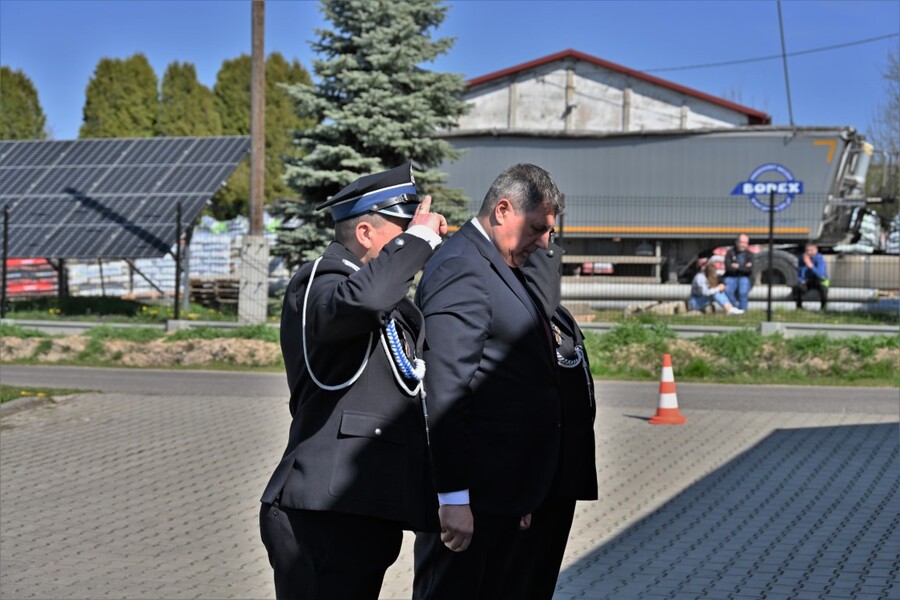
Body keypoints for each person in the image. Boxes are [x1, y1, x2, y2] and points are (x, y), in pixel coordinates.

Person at [258, 161, 448, 599]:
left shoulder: (380, 294)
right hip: (321, 513)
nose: (412, 238)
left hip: (361, 507)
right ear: (364, 233)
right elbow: (366, 300)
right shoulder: (321, 281)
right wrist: (418, 241)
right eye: (402, 230)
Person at [412, 163, 565, 599]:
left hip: (502, 496)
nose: (545, 242)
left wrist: (523, 492)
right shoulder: (462, 267)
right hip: (472, 503)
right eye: (537, 228)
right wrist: (453, 498)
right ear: (503, 210)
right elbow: (445, 391)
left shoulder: (497, 262)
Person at [499, 239, 598, 600]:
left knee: (540, 580)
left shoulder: (560, 317)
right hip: (529, 480)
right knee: (515, 580)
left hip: (561, 477)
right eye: (543, 257)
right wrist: (520, 489)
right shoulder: (518, 318)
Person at [724, 234, 753, 311]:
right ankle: (734, 309)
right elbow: (728, 268)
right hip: (731, 276)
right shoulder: (730, 253)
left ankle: (743, 311)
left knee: (743, 292)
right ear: (737, 242)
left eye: (745, 243)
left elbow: (750, 270)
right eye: (741, 242)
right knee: (728, 290)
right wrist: (743, 267)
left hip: (744, 277)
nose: (743, 245)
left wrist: (737, 266)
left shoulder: (750, 255)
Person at [795, 243, 829, 310]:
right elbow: (800, 272)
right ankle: (799, 307)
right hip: (809, 280)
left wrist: (810, 265)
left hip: (821, 280)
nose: (808, 252)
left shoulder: (819, 258)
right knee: (798, 288)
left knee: (823, 288)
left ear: (816, 251)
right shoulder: (803, 259)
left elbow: (820, 274)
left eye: (811, 250)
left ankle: (823, 307)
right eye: (807, 251)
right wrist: (801, 281)